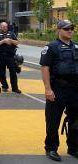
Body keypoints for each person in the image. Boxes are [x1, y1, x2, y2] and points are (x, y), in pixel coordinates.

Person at [40, 20, 78, 162]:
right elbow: (45, 68)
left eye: (72, 28)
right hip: (58, 89)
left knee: (75, 120)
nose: (70, 30)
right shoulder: (51, 47)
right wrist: (48, 89)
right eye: (67, 28)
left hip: (75, 90)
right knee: (53, 120)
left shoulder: (76, 47)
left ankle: (74, 147)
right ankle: (51, 148)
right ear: (59, 30)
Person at [0, 22, 21, 93]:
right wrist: (3, 41)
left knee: (13, 72)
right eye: (3, 26)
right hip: (0, 56)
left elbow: (17, 42)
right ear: (0, 27)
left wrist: (10, 40)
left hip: (10, 56)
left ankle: (15, 88)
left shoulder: (11, 34)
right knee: (1, 72)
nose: (4, 28)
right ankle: (4, 86)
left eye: (5, 26)